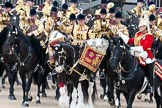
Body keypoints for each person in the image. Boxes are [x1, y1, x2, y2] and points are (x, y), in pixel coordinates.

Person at [118, 18, 154, 92]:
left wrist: (133, 48)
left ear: (145, 27)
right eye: (139, 27)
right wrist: (121, 35)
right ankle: (121, 80)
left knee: (148, 62)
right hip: (136, 53)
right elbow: (130, 41)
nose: (139, 28)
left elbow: (145, 47)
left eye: (141, 27)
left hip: (146, 54)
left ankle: (150, 83)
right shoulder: (138, 34)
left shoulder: (149, 36)